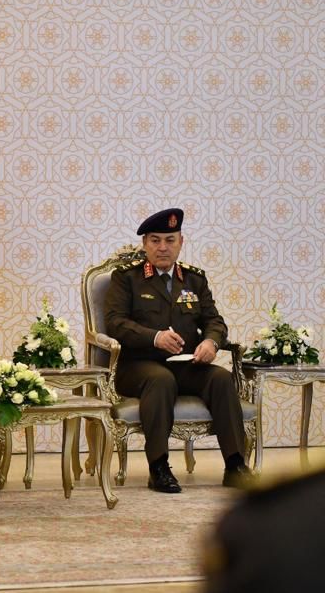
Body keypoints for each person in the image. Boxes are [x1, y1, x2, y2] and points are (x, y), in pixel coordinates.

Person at [104, 208, 252, 493]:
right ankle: (158, 467)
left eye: (170, 240)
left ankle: (235, 466)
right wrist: (155, 338)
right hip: (138, 366)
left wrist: (211, 342)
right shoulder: (127, 278)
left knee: (221, 378)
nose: (163, 247)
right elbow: (115, 323)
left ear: (181, 242)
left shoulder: (194, 279)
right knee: (161, 380)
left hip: (185, 364)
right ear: (145, 243)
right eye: (156, 240)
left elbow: (214, 321)